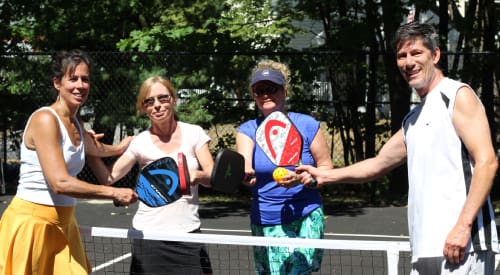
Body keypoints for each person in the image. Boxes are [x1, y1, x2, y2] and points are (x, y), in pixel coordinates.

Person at [297, 21, 499, 274]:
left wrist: (463, 226)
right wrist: (324, 175)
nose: (408, 62)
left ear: (435, 55)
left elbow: (487, 162)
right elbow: (378, 164)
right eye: (402, 56)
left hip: (464, 245)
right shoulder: (412, 120)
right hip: (426, 247)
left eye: (416, 53)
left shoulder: (458, 95)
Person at [0, 49, 138, 275]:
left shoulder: (75, 122)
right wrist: (113, 193)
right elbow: (60, 183)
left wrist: (122, 147)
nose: (80, 85)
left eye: (85, 79)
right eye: (72, 79)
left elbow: (94, 147)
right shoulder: (45, 119)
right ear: (57, 83)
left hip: (65, 223)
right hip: (32, 223)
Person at [88, 76, 214, 275]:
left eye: (163, 98)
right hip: (149, 236)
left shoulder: (194, 133)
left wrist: (196, 175)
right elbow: (108, 178)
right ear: (143, 108)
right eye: (149, 101)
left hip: (188, 234)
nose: (157, 105)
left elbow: (211, 175)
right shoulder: (140, 142)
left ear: (173, 100)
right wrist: (91, 150)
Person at [236, 60, 333, 274]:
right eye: (259, 90)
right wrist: (245, 175)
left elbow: (326, 166)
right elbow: (244, 162)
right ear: (253, 95)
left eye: (272, 89)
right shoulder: (248, 130)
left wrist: (309, 178)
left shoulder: (307, 125)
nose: (266, 94)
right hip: (266, 218)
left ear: (285, 91)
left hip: (306, 214)